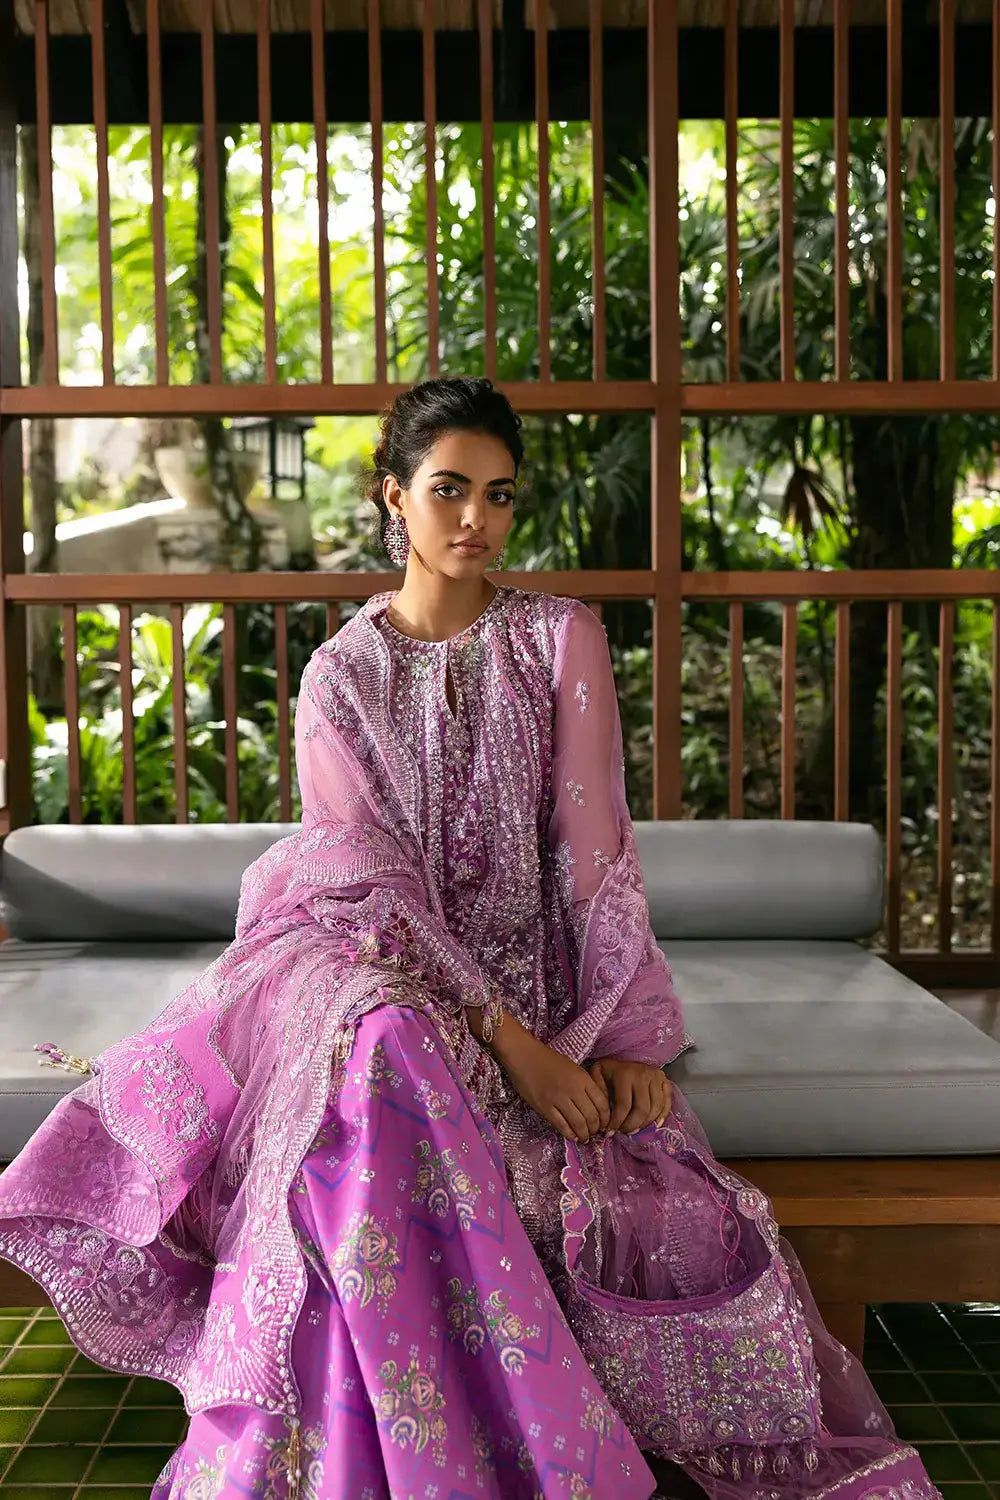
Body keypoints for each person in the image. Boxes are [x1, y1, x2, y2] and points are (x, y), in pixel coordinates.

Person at [0, 377, 938, 1500]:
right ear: (392, 496)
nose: (476, 519)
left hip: (523, 978)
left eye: (499, 495)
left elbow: (595, 855)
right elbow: (365, 886)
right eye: (448, 490)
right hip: (364, 964)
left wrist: (621, 1038)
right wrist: (511, 1049)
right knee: (383, 1033)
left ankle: (428, 1453)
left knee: (408, 1078)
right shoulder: (339, 675)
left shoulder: (558, 638)